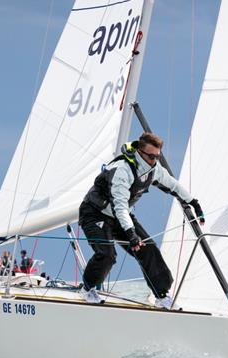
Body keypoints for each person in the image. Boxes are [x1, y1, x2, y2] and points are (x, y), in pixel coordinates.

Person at [78, 132, 204, 309]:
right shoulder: (122, 169)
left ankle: (162, 296)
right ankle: (87, 289)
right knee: (107, 255)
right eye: (151, 156)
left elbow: (172, 185)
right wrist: (131, 234)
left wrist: (193, 202)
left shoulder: (154, 169)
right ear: (139, 152)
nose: (154, 160)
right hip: (95, 213)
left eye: (157, 156)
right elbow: (120, 206)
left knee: (149, 249)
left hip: (120, 216)